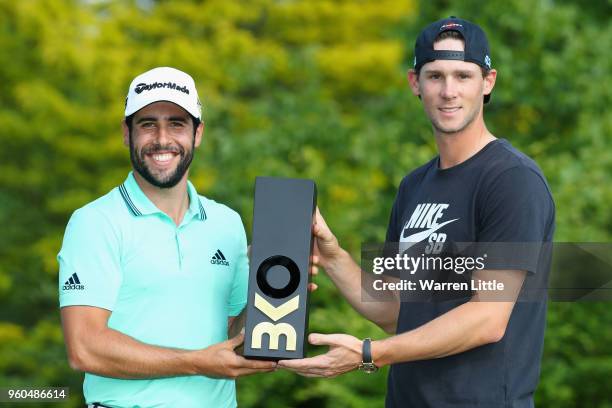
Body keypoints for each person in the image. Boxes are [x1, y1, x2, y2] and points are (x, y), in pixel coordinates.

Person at [279, 16, 555, 408]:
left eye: (463, 76)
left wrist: (369, 353)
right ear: (415, 83)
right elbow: (398, 312)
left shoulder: (512, 179)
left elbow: (487, 319)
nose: (448, 91)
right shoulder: (414, 185)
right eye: (435, 76)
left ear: (488, 82)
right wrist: (332, 255)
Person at [58, 67, 276, 408]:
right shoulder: (94, 222)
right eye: (148, 124)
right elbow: (84, 347)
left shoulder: (227, 223)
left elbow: (233, 335)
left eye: (177, 123)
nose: (162, 139)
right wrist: (196, 361)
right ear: (126, 133)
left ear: (197, 133)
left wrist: (272, 291)